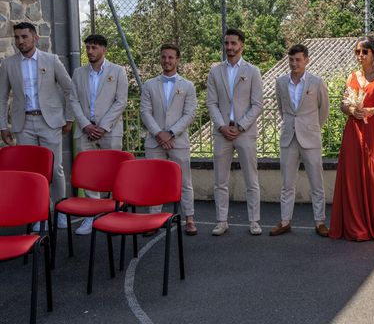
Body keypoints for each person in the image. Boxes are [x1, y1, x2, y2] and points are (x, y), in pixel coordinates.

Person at [0, 22, 74, 229]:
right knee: (30, 172)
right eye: (16, 38)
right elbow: (2, 96)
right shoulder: (9, 64)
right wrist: (2, 125)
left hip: (49, 121)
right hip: (23, 123)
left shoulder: (51, 60)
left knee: (55, 168)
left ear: (35, 38)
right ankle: (37, 214)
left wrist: (69, 118)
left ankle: (59, 210)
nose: (20, 41)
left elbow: (69, 89)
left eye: (24, 37)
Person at [329, 35, 374, 241]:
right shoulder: (352, 76)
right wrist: (350, 110)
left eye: (364, 51)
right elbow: (342, 104)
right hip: (354, 131)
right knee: (353, 176)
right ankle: (354, 224)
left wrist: (373, 110)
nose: (360, 55)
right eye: (357, 52)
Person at [206, 29, 263, 236]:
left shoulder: (253, 71)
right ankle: (222, 221)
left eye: (233, 43)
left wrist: (240, 127)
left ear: (242, 46)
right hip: (222, 132)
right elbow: (211, 103)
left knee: (251, 179)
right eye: (227, 43)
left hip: (244, 132)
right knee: (220, 180)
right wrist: (222, 126)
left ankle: (254, 221)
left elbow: (257, 105)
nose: (229, 47)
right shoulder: (215, 71)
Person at [69, 34, 128, 235]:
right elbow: (73, 100)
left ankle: (115, 212)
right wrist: (86, 125)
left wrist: (102, 126)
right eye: (87, 47)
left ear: (104, 49)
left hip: (109, 130)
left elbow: (121, 101)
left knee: (114, 172)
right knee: (89, 175)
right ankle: (91, 216)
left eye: (94, 47)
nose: (90, 51)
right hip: (86, 130)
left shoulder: (118, 71)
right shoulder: (78, 73)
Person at [270, 44, 330, 237]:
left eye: (298, 60)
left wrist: (312, 127)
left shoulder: (316, 82)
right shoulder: (280, 82)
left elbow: (324, 110)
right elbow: (282, 109)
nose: (294, 63)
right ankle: (285, 221)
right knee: (287, 182)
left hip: (311, 137)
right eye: (291, 59)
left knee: (316, 182)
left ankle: (320, 222)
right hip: (289, 137)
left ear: (306, 60)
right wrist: (293, 125)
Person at [141, 44, 198, 236]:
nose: (167, 60)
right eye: (164, 57)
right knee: (153, 181)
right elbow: (145, 112)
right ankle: (152, 220)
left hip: (178, 141)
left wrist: (171, 133)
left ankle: (189, 219)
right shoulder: (149, 85)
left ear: (177, 60)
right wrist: (159, 134)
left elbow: (189, 114)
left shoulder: (188, 86)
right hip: (154, 141)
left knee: (184, 181)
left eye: (171, 57)